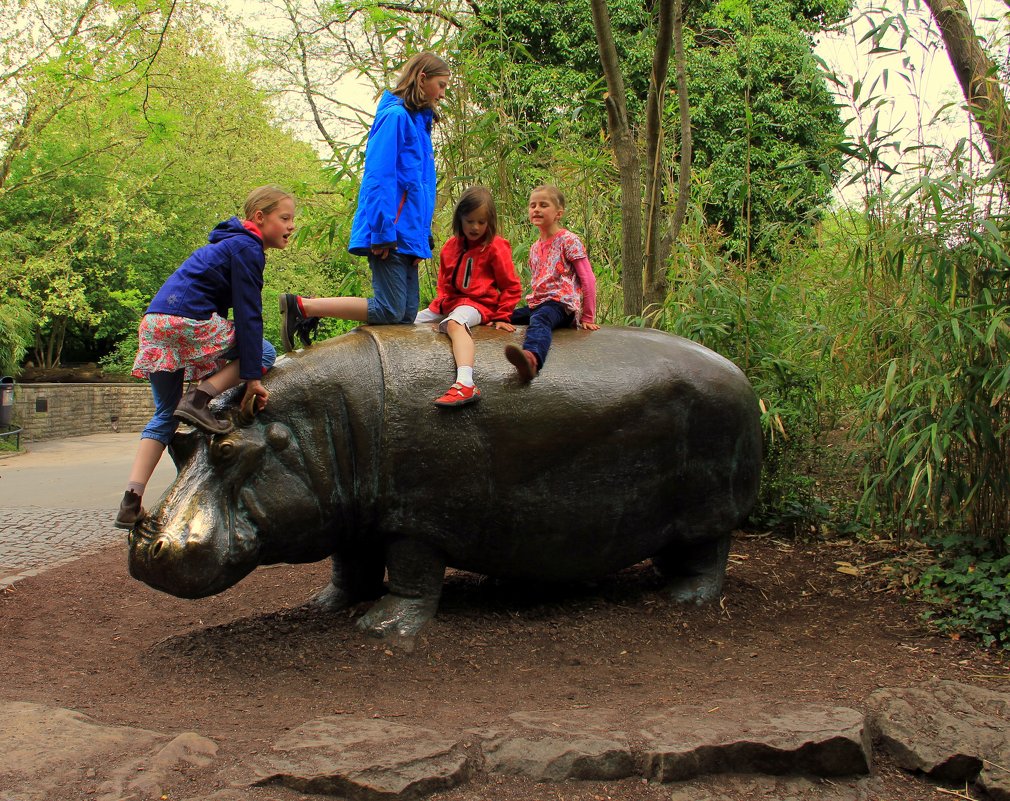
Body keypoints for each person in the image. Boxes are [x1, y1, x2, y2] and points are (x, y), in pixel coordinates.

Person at [114, 186, 295, 530]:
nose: (291, 226)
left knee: (165, 414)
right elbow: (247, 313)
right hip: (186, 320)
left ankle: (131, 500)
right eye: (284, 218)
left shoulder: (228, 243)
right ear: (259, 217)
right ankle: (198, 400)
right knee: (264, 350)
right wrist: (253, 377)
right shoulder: (247, 246)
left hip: (157, 324)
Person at [279, 52, 451, 351]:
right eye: (441, 84)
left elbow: (418, 188)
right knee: (389, 310)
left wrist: (422, 238)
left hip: (409, 236)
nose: (442, 93)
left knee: (405, 314)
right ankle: (303, 307)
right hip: (391, 232)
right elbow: (378, 178)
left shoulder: (419, 124)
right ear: (422, 78)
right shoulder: (396, 117)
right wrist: (383, 232)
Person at [416, 186, 521, 407]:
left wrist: (502, 315)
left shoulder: (495, 247)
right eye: (470, 221)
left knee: (455, 323)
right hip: (450, 303)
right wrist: (440, 306)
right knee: (411, 320)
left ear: (489, 222)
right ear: (460, 219)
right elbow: (444, 283)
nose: (475, 227)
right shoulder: (450, 247)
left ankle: (465, 383)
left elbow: (511, 286)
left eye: (481, 222)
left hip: (478, 305)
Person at [505, 184, 600, 381]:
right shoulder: (534, 248)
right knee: (507, 316)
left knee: (540, 320)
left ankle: (532, 359)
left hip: (561, 304)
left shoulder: (568, 240)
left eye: (543, 205)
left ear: (558, 213)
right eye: (532, 205)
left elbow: (587, 278)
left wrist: (588, 316)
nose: (536, 209)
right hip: (539, 303)